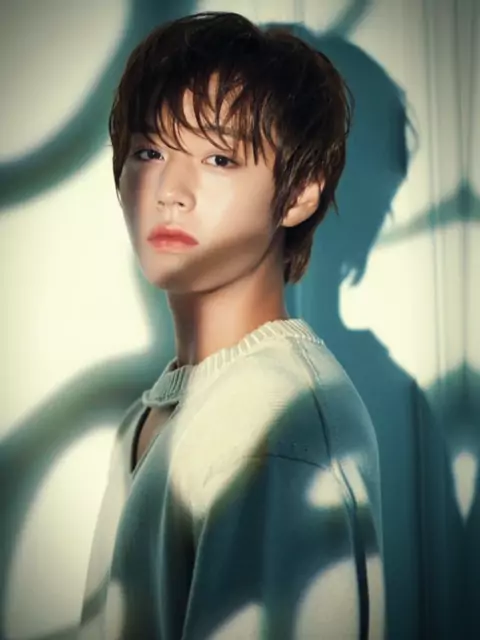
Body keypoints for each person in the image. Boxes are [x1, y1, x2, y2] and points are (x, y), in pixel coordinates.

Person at [79, 11, 385, 639]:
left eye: (219, 158)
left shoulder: (277, 422)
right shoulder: (157, 410)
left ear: (299, 193)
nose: (170, 190)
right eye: (149, 151)